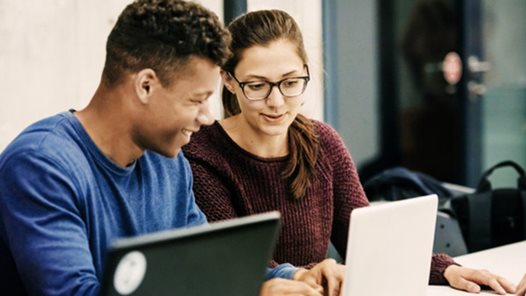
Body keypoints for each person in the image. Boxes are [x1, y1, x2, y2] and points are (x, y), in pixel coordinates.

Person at [0, 1, 336, 295]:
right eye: (197, 101)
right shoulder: (41, 165)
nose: (207, 118)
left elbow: (209, 262)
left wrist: (296, 276)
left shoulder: (169, 162)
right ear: (146, 85)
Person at [182, 9, 516, 295]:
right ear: (228, 80)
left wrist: (442, 269)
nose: (277, 101)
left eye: (290, 82)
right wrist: (307, 276)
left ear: (306, 73)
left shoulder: (323, 142)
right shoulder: (202, 155)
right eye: (257, 86)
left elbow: (366, 243)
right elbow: (238, 264)